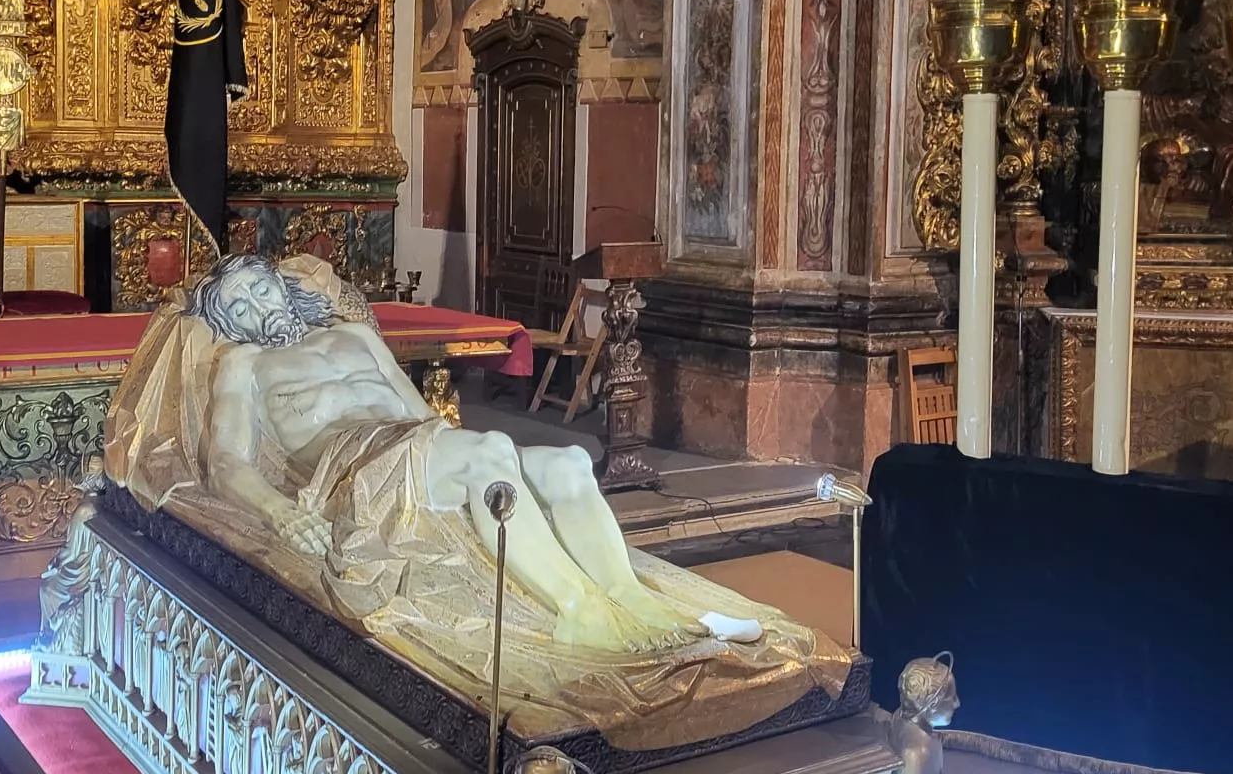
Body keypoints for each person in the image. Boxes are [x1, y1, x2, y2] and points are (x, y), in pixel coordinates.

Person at [105, 254, 853, 748]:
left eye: (264, 283)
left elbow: (424, 416)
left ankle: (624, 595)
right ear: (228, 319)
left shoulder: (353, 338)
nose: (260, 298)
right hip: (350, 475)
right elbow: (231, 462)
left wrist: (455, 469)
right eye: (240, 298)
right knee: (492, 454)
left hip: (412, 446)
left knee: (561, 460)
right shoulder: (242, 363)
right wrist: (280, 512)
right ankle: (578, 610)